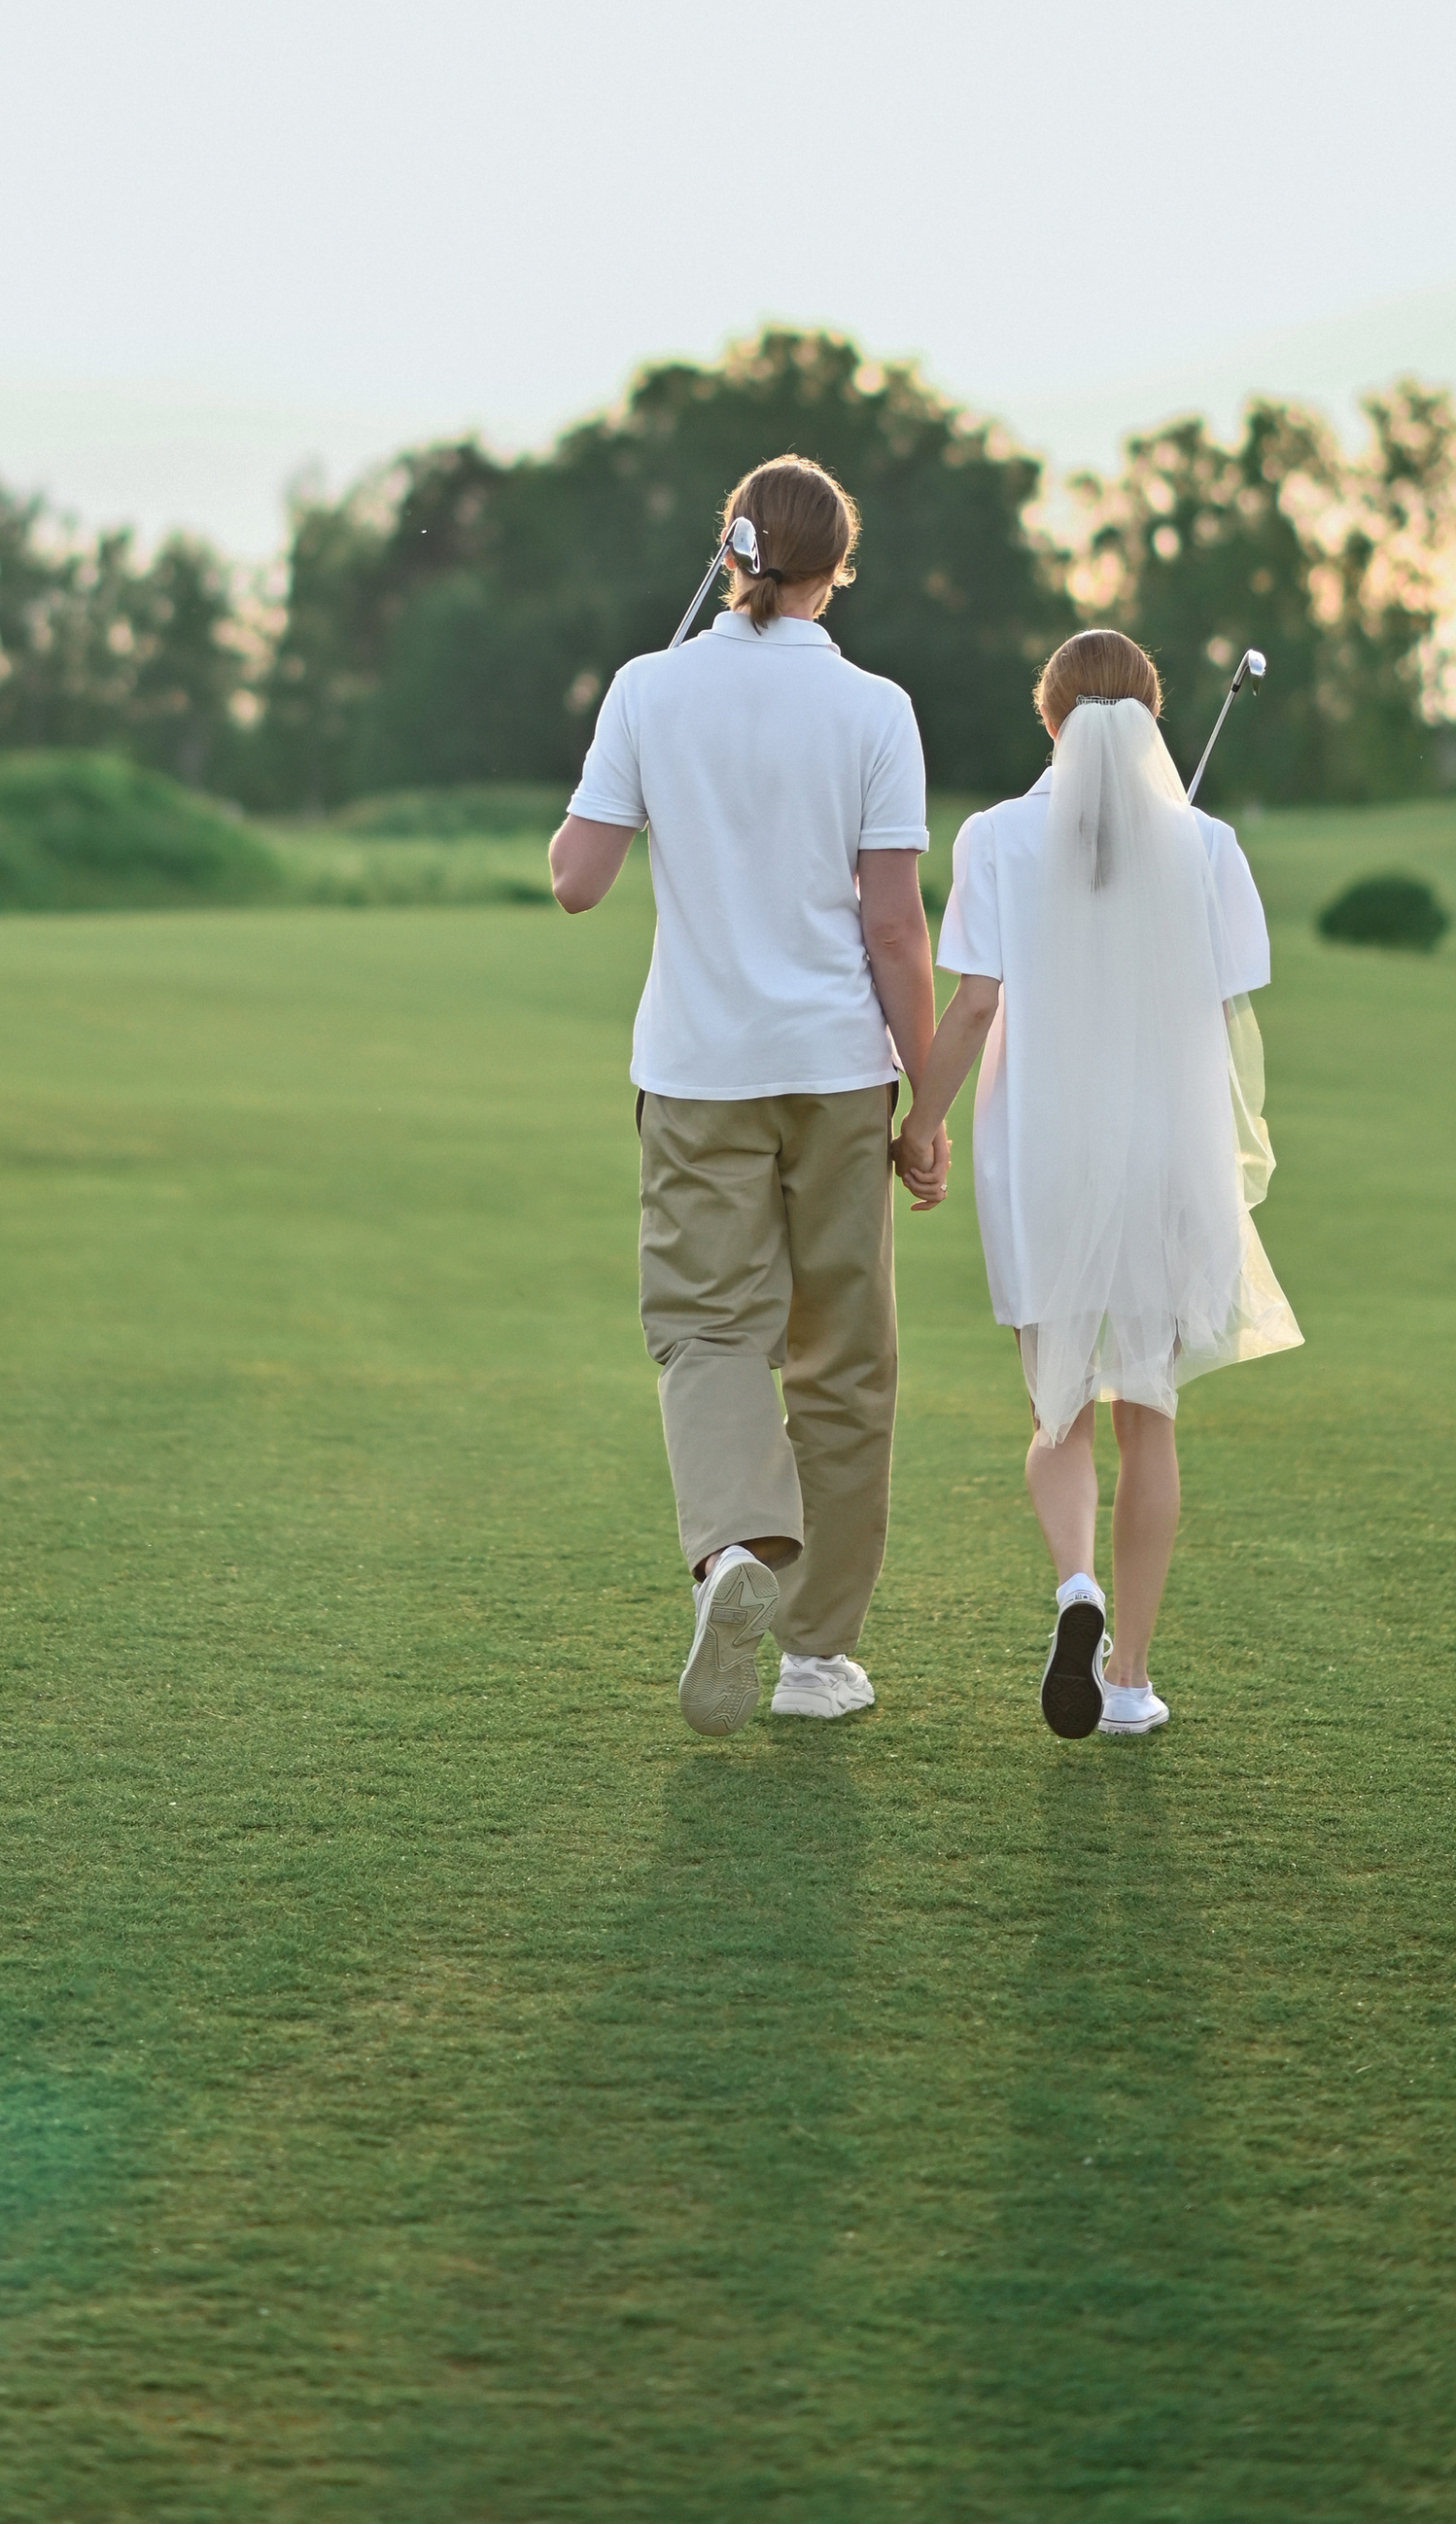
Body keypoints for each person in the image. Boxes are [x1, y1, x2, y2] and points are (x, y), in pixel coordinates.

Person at [548, 455, 939, 1736]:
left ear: (731, 554)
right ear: (840, 564)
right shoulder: (878, 706)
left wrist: (612, 768)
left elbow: (575, 879)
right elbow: (896, 928)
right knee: (844, 1362)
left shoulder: (647, 689)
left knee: (709, 1330)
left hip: (700, 1072)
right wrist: (925, 1099)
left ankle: (730, 1557)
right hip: (836, 1073)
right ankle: (816, 1656)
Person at [898, 627, 1298, 1738]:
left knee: (1057, 1406)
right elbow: (1223, 1017)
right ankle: (1126, 1679)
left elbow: (974, 1005)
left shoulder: (992, 836)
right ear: (1154, 718)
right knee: (1149, 1420)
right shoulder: (1206, 844)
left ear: (1050, 720)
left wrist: (918, 1123)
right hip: (1166, 1154)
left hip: (1041, 1151)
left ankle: (1075, 1585)